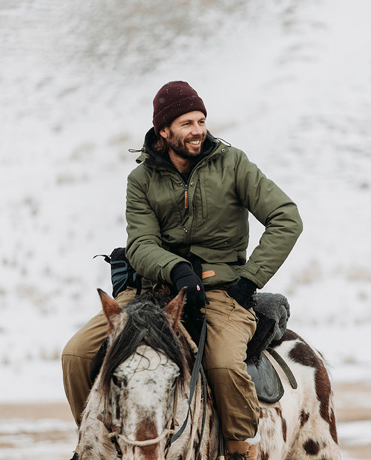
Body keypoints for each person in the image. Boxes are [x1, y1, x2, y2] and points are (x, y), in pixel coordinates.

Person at [61, 81, 303, 459]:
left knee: (223, 365)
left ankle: (241, 450)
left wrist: (250, 279)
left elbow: (286, 218)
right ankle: (96, 444)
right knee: (75, 355)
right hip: (151, 290)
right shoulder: (140, 180)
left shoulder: (233, 164)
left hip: (222, 290)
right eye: (187, 123)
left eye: (201, 120)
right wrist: (175, 270)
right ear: (163, 131)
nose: (198, 130)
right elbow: (140, 244)